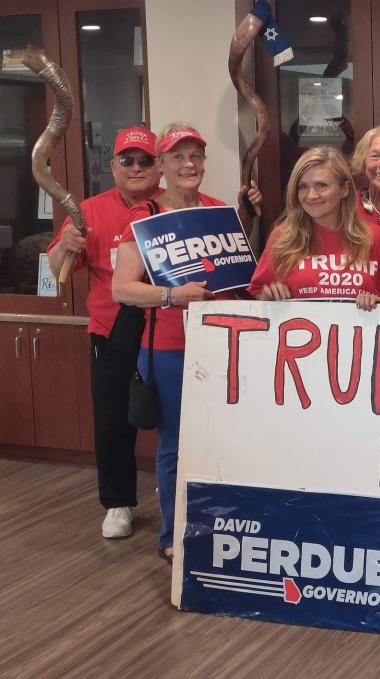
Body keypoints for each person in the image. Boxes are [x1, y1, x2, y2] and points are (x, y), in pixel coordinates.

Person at [112, 123, 261, 564]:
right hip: (169, 347)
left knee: (223, 437)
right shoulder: (144, 217)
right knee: (176, 442)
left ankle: (219, 525)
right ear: (161, 165)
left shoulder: (217, 211)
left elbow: (238, 276)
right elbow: (122, 288)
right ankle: (173, 534)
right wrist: (171, 295)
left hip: (221, 341)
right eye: (177, 157)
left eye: (195, 155)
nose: (188, 164)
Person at [46, 127, 161, 540]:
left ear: (158, 166)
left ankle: (177, 491)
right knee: (113, 421)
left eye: (145, 160)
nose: (136, 168)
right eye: (127, 160)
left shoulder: (171, 205)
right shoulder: (88, 211)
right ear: (112, 166)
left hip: (167, 326)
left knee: (177, 415)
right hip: (112, 329)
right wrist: (68, 244)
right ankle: (118, 503)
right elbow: (56, 270)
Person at [248, 146, 380, 314]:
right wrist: (266, 297)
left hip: (361, 338)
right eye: (302, 187)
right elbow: (255, 296)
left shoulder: (373, 237)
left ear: (344, 189)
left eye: (321, 185)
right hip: (298, 338)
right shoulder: (283, 237)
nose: (311, 195)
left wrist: (379, 305)